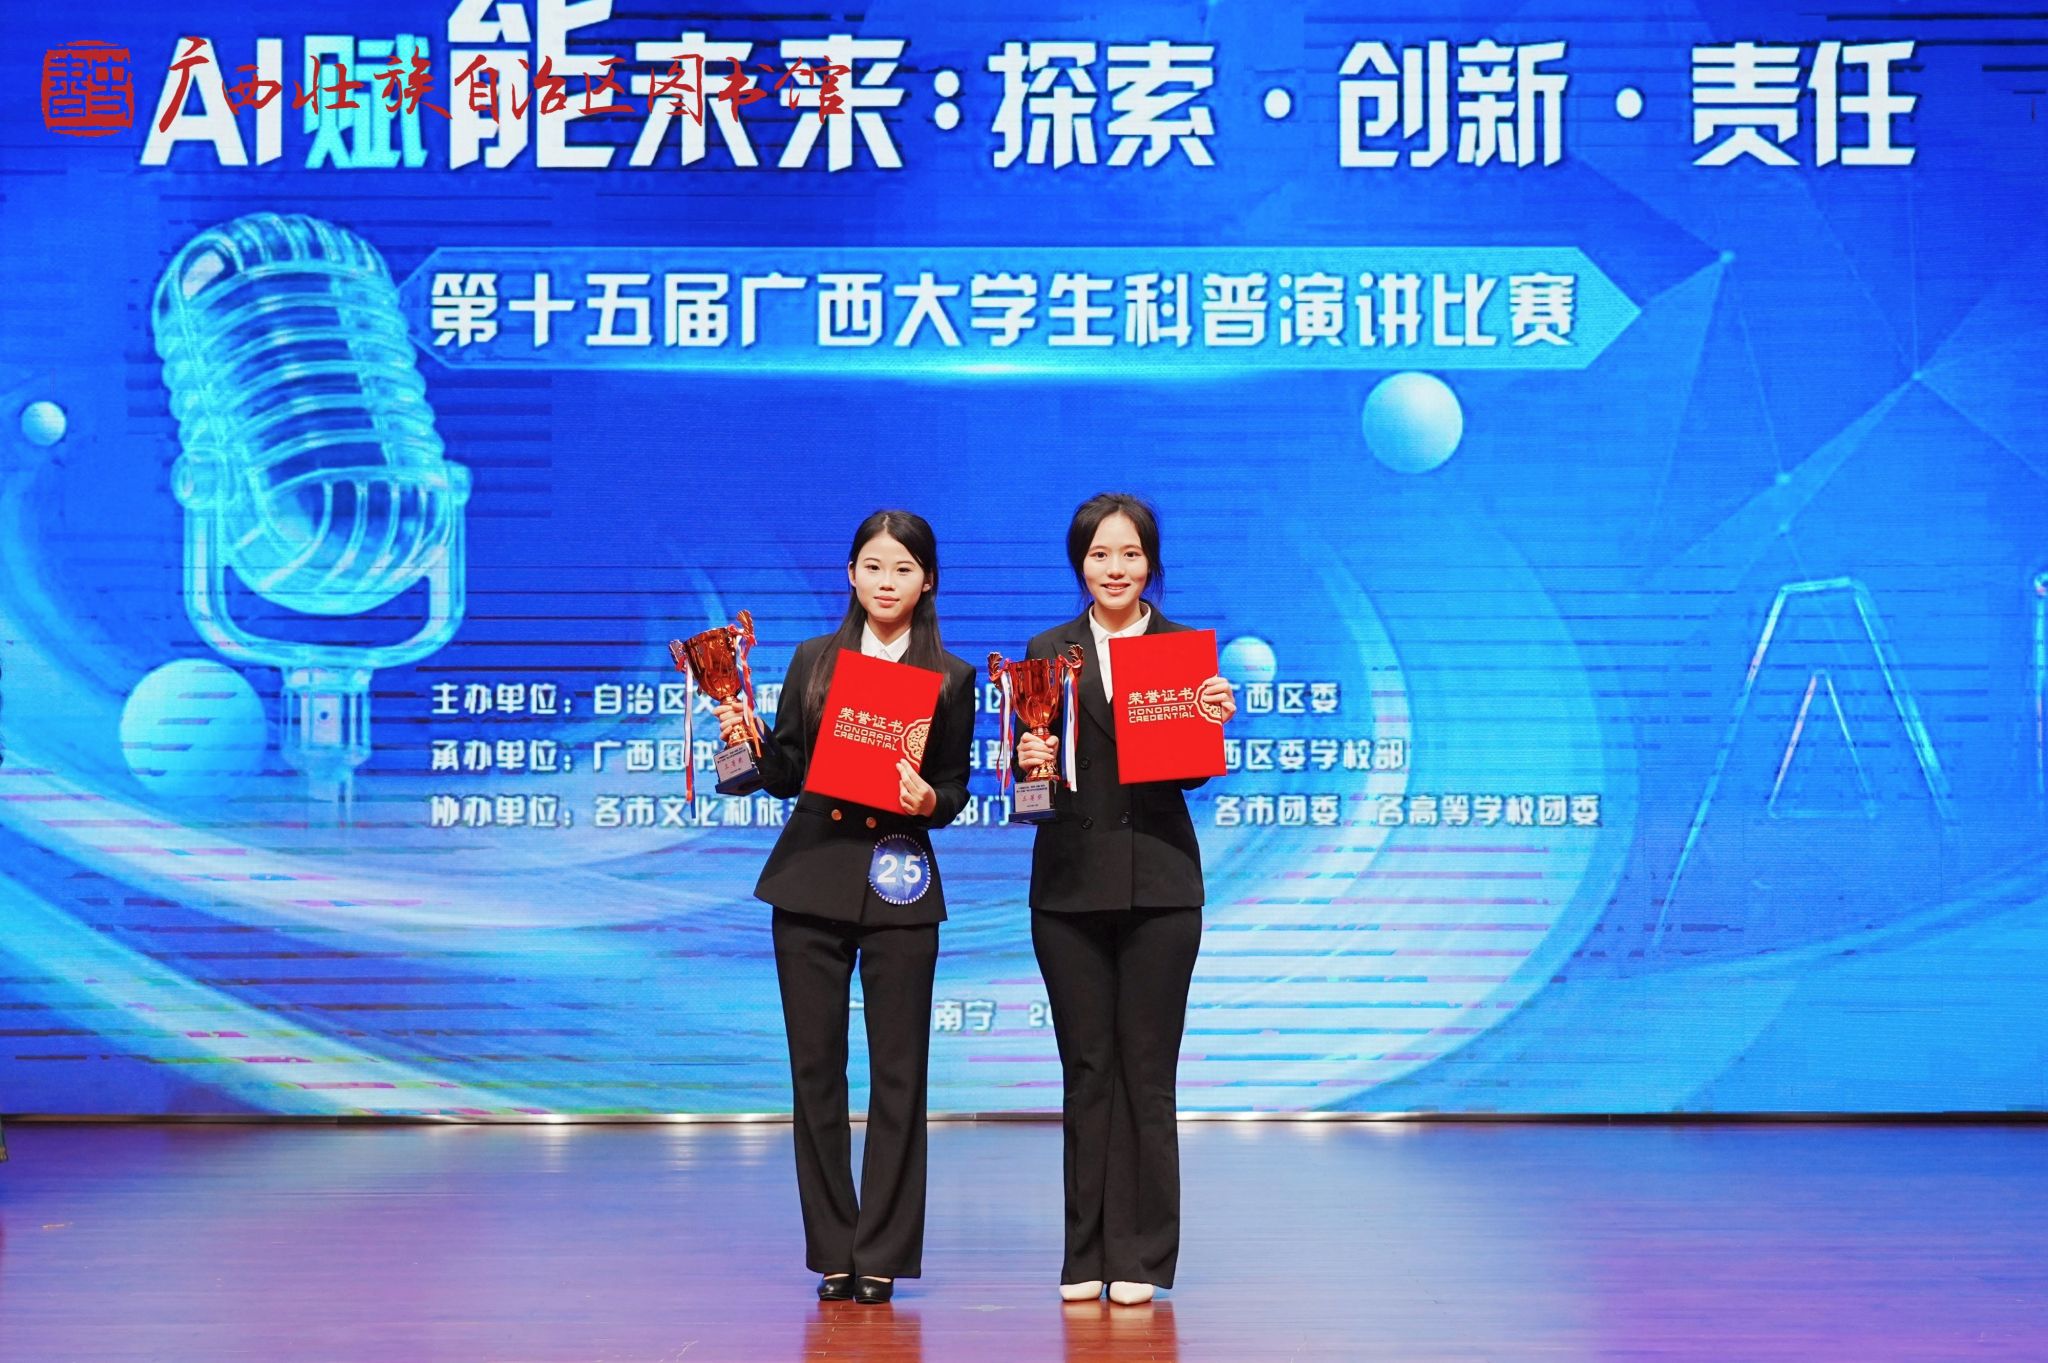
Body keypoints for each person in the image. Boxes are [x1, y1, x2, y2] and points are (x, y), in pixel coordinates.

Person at [716, 510, 976, 1306]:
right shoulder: (813, 659)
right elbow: (786, 771)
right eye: (872, 566)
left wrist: (930, 799)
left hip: (900, 880)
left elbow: (956, 788)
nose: (886, 581)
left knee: (900, 1073)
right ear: (851, 574)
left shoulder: (953, 676)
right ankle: (834, 1248)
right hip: (812, 878)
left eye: (903, 568)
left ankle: (883, 1251)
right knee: (815, 1071)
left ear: (927, 581)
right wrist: (744, 739)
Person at [1016, 493, 1236, 1307]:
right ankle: (1085, 1252)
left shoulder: (1181, 651)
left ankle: (1140, 1256)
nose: (1116, 568)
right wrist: (1028, 755)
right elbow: (1032, 778)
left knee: (1147, 1073)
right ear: (1080, 562)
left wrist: (1210, 720)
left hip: (1160, 887)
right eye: (1100, 554)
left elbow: (1189, 771)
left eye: (1131, 553)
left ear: (1152, 562)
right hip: (1069, 887)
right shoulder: (1048, 651)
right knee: (1087, 1071)